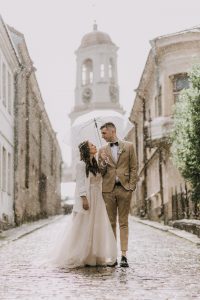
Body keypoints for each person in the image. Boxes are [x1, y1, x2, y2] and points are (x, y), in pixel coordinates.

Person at [53, 140, 117, 268]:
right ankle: (82, 254)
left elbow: (103, 177)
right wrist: (84, 198)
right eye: (91, 145)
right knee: (85, 225)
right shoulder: (81, 164)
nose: (94, 146)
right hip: (88, 196)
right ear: (87, 150)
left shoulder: (95, 163)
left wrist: (104, 161)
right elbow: (81, 183)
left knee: (96, 226)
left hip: (98, 198)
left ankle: (94, 255)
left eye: (94, 144)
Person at [98, 122, 137, 267]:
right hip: (108, 190)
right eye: (101, 134)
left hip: (124, 189)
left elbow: (134, 167)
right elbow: (101, 172)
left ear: (112, 131)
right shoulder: (102, 150)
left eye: (104, 133)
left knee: (123, 222)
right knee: (111, 223)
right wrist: (103, 162)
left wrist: (131, 186)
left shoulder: (129, 146)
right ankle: (113, 256)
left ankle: (124, 256)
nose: (102, 136)